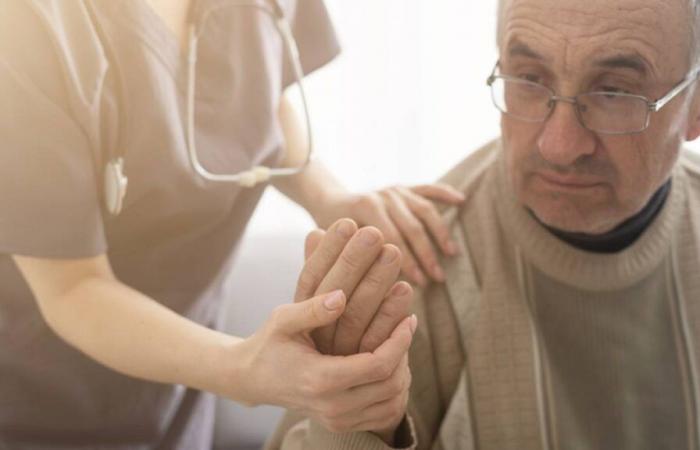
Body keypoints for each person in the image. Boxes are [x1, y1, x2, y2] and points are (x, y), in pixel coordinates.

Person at [0, 0, 465, 448]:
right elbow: (72, 289)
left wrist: (326, 196)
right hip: (38, 413)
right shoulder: (25, 24)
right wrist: (242, 367)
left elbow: (263, 83)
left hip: (180, 403)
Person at [266, 0, 700, 448]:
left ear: (694, 105)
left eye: (614, 92)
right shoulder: (414, 267)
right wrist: (351, 423)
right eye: (530, 79)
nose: (560, 145)